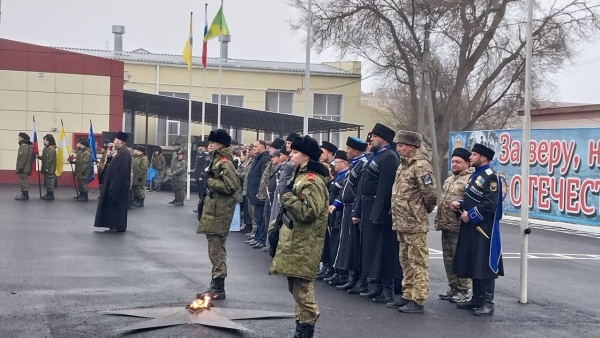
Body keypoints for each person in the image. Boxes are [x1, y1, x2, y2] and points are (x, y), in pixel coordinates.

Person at [269, 135, 329, 338]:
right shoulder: (300, 175)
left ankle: (306, 329)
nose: (291, 155)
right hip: (295, 241)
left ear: (306, 156)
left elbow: (308, 213)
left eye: (295, 152)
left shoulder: (312, 180)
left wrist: (287, 197)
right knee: (295, 288)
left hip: (304, 243)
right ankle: (301, 327)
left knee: (303, 289)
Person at [351, 123, 402, 302]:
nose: (370, 139)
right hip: (367, 206)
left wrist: (378, 213)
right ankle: (377, 286)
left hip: (378, 210)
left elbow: (384, 188)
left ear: (383, 138)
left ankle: (387, 290)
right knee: (372, 250)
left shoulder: (389, 157)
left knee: (383, 251)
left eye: (373, 136)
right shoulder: (376, 156)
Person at [452, 143, 503, 316]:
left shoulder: (490, 176)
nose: (470, 157)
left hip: (484, 227)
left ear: (483, 157)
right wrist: (459, 204)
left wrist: (471, 215)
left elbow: (490, 204)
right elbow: (472, 199)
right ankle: (477, 298)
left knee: (484, 263)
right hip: (471, 226)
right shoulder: (476, 175)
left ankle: (488, 302)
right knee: (474, 261)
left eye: (474, 155)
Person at [390, 130, 438, 313]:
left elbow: (431, 194)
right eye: (398, 145)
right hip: (401, 221)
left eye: (401, 145)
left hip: (414, 221)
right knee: (405, 260)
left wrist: (420, 210)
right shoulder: (404, 164)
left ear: (412, 147)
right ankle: (407, 294)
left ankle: (418, 299)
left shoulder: (421, 166)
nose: (399, 148)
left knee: (417, 262)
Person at [196, 129, 240, 300]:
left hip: (219, 212)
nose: (209, 145)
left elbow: (231, 187)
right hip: (214, 209)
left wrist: (210, 180)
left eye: (212, 143)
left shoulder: (224, 163)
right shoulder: (216, 160)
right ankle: (215, 284)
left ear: (220, 144)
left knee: (216, 249)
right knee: (214, 248)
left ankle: (218, 286)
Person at [435, 147, 473, 303]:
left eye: (458, 162)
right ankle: (453, 287)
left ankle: (463, 290)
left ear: (466, 163)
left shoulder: (470, 179)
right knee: (448, 259)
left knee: (460, 259)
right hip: (446, 225)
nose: (454, 164)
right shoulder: (450, 179)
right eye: (453, 161)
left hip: (460, 227)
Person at [332, 137, 368, 292]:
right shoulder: (355, 165)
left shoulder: (363, 165)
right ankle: (349, 276)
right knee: (347, 244)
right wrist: (336, 204)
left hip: (354, 208)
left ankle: (356, 278)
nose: (346, 151)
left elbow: (360, 191)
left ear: (356, 150)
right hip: (346, 208)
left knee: (354, 245)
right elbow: (345, 189)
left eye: (348, 148)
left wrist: (356, 211)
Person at [94, 132, 132, 232]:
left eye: (115, 139)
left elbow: (122, 172)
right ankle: (113, 224)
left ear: (121, 141)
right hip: (113, 184)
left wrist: (115, 186)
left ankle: (118, 225)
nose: (114, 141)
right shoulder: (121, 152)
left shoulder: (125, 153)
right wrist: (110, 157)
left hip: (117, 186)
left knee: (118, 207)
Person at [324, 150, 351, 286]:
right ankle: (333, 269)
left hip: (340, 214)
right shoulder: (339, 176)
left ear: (344, 162)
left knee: (338, 242)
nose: (334, 165)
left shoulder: (345, 175)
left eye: (336, 162)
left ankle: (341, 273)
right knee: (333, 242)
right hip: (333, 214)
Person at [246, 140, 271, 249]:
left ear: (263, 147)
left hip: (259, 194)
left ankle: (261, 239)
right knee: (257, 217)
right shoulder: (257, 158)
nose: (254, 147)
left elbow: (263, 178)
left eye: (256, 146)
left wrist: (260, 193)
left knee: (260, 218)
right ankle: (257, 237)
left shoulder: (265, 159)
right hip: (253, 192)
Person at [15, 132, 33, 201]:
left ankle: (24, 194)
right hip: (24, 167)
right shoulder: (24, 146)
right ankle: (23, 193)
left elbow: (22, 159)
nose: (18, 138)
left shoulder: (24, 147)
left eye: (19, 137)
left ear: (22, 138)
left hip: (24, 168)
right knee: (22, 180)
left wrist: (19, 168)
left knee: (23, 180)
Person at [38, 134, 57, 201]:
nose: (44, 142)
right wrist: (39, 157)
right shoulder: (47, 149)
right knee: (47, 182)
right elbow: (45, 158)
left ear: (49, 141)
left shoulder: (51, 149)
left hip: (49, 169)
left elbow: (49, 160)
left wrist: (46, 168)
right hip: (47, 168)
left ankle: (50, 194)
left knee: (50, 181)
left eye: (45, 141)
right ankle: (48, 193)